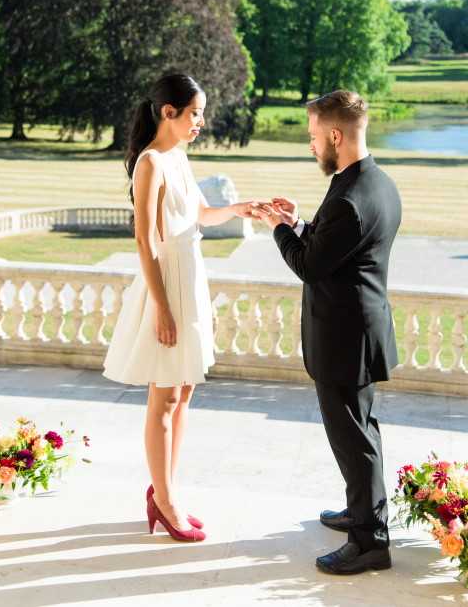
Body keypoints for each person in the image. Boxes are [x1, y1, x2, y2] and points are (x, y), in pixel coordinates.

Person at [252, 90, 401, 575]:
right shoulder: (375, 183)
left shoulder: (351, 198)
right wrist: (299, 220)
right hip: (359, 332)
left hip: (344, 341)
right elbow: (341, 244)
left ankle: (370, 541)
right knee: (362, 433)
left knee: (353, 440)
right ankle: (363, 513)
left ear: (336, 135)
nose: (311, 144)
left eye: (315, 136)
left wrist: (279, 228)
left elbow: (309, 265)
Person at [103, 72, 256, 543]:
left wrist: (240, 208)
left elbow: (201, 216)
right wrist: (163, 309)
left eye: (201, 114)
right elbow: (145, 241)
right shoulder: (150, 163)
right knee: (164, 397)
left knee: (184, 391)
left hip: (191, 280)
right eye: (195, 114)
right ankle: (166, 504)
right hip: (165, 286)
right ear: (168, 113)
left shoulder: (180, 157)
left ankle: (164, 491)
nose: (201, 123)